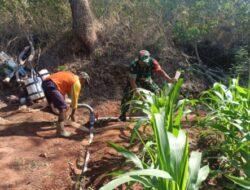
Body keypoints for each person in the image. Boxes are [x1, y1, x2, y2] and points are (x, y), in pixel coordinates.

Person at [119, 50, 177, 121]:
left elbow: (160, 71)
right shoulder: (134, 65)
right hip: (135, 81)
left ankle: (159, 113)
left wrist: (169, 79)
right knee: (127, 96)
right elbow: (132, 81)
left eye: (146, 61)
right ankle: (122, 115)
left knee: (158, 92)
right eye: (142, 62)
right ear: (139, 60)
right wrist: (137, 92)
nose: (144, 63)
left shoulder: (153, 62)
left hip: (147, 79)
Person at [42, 71, 90, 137]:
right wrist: (72, 114)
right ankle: (60, 131)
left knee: (58, 106)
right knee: (63, 108)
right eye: (85, 83)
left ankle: (56, 120)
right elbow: (74, 101)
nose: (83, 85)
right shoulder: (77, 82)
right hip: (52, 85)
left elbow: (63, 91)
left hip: (45, 83)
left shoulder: (71, 76)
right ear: (83, 79)